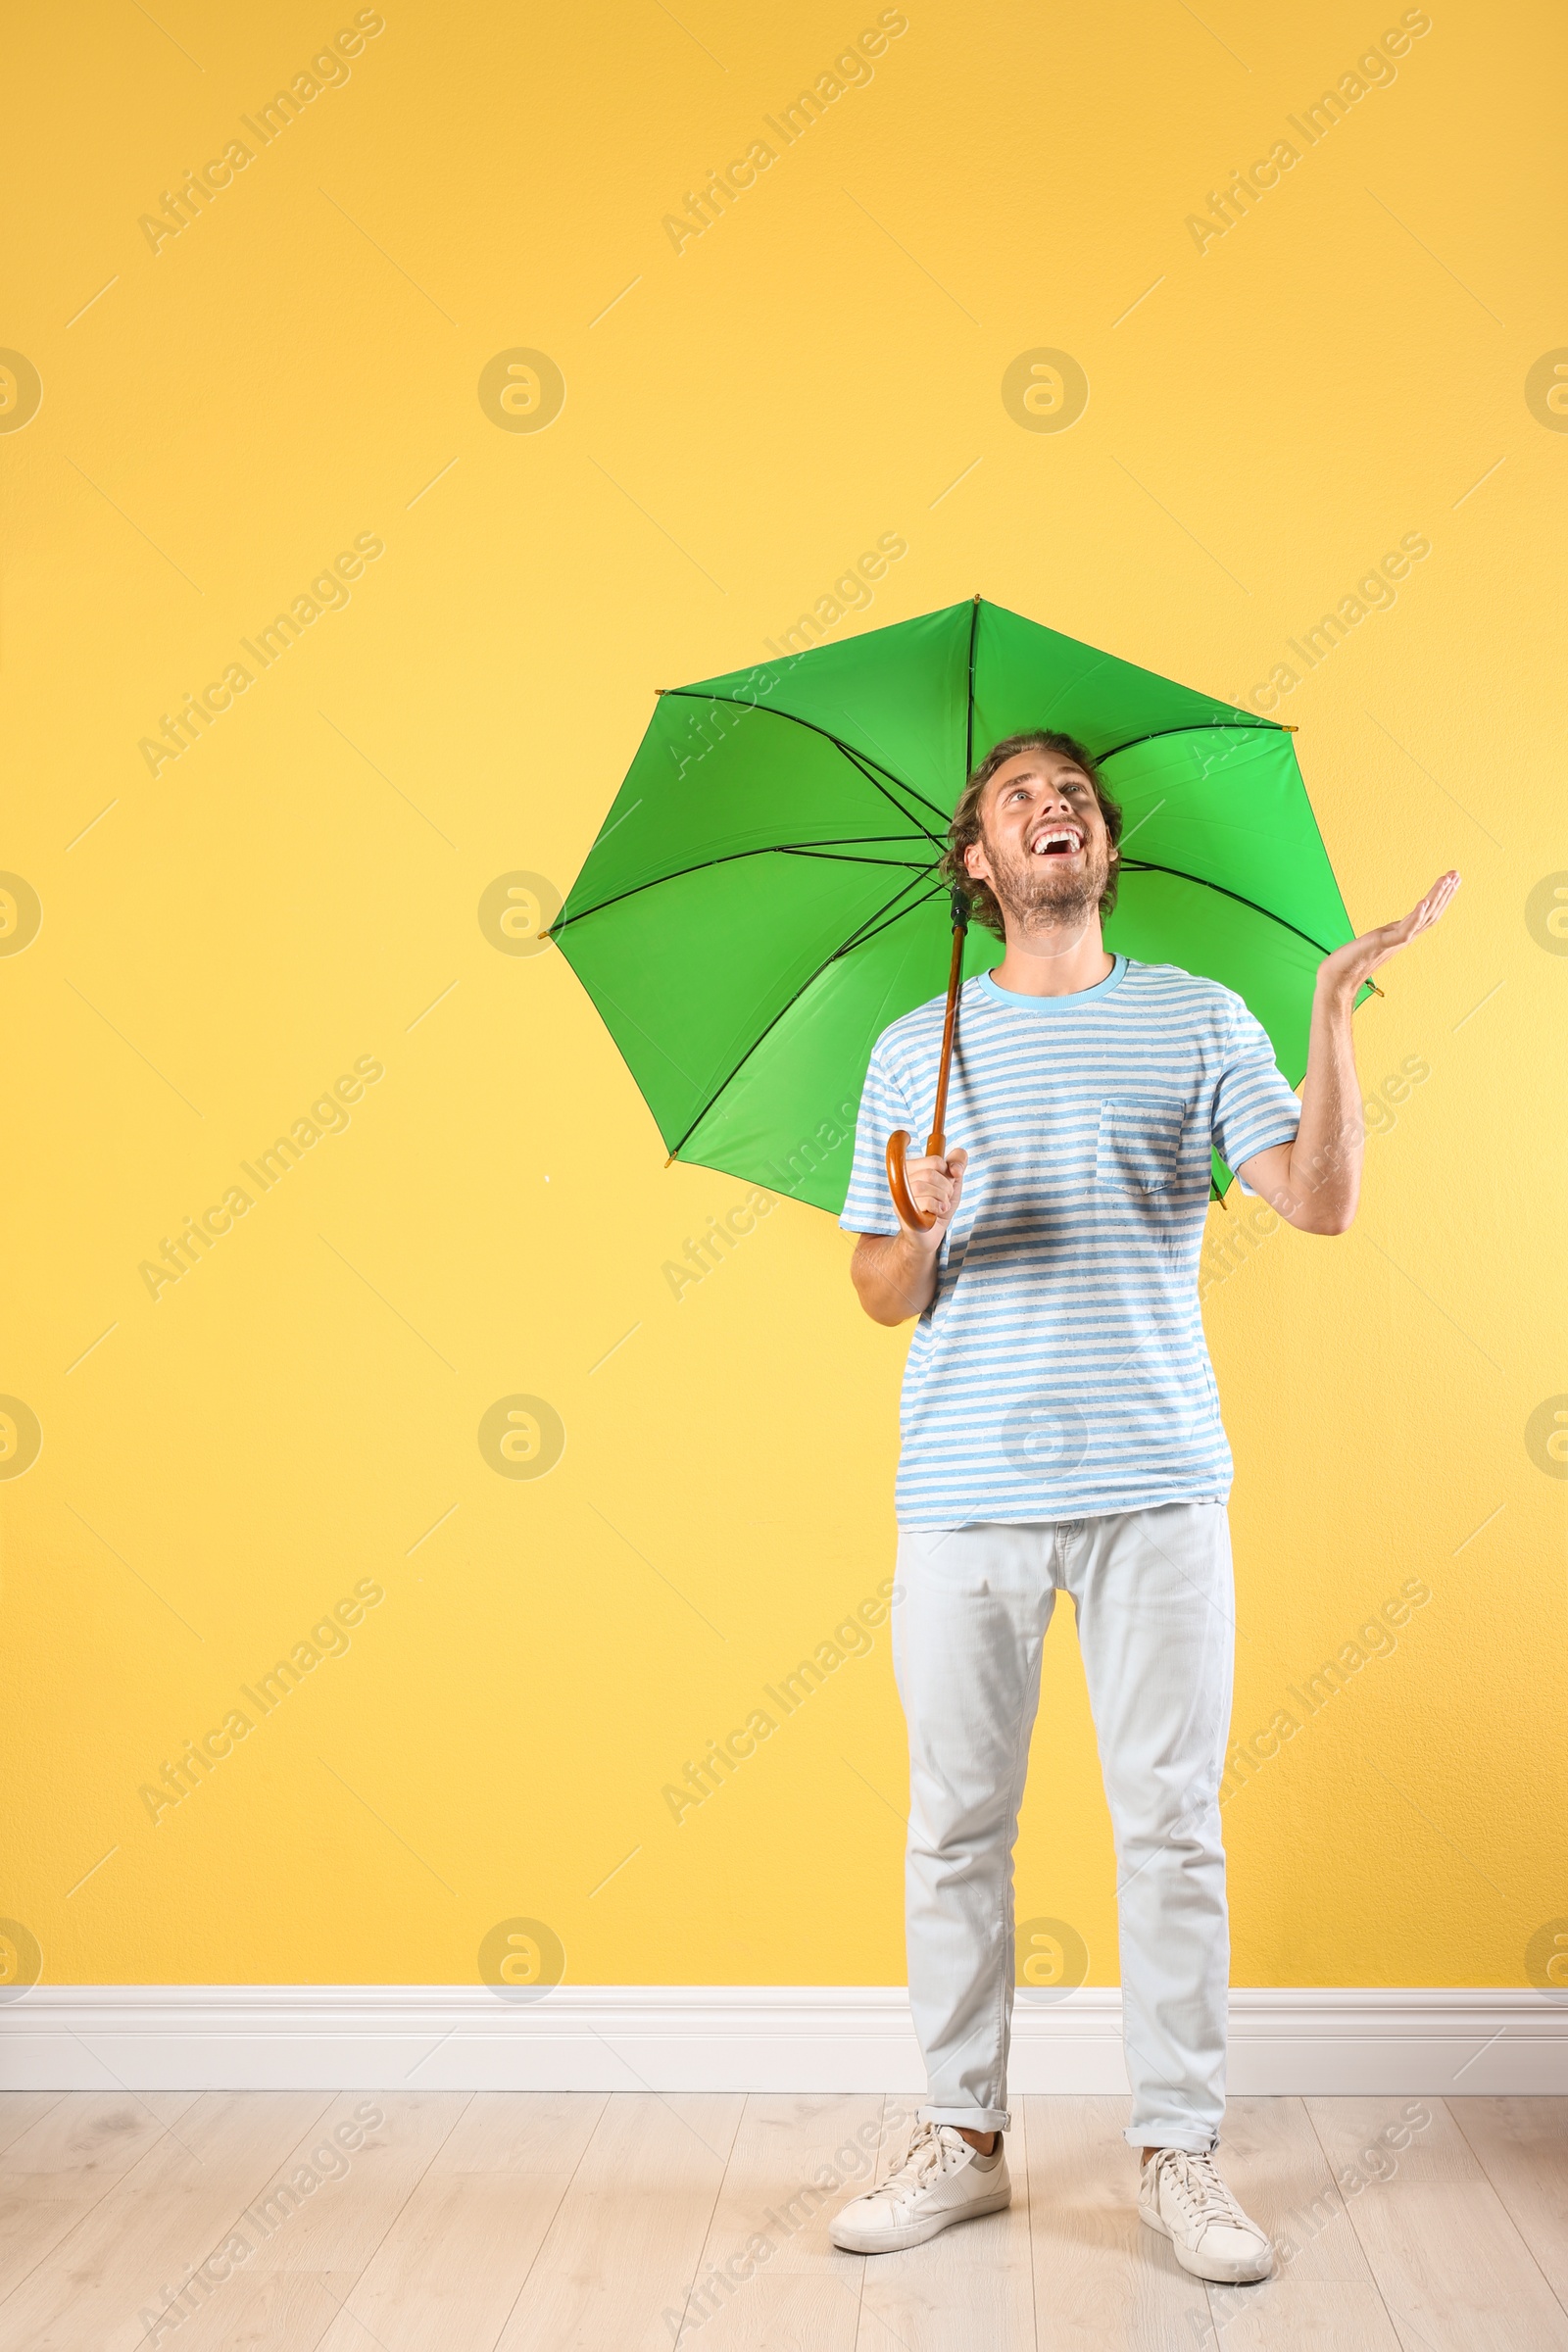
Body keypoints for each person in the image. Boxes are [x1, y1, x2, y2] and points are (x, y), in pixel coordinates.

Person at [829, 727, 1458, 2278]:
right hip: (965, 1491)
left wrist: (1328, 1016)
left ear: (1102, 850)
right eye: (1019, 797)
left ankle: (1180, 2153)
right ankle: (962, 2141)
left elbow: (1319, 1201)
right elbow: (873, 1292)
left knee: (1171, 1826)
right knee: (954, 1829)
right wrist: (914, 1225)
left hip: (1156, 1486)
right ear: (975, 861)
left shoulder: (1201, 1017)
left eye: (1076, 797)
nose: (1057, 807)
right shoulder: (918, 1048)